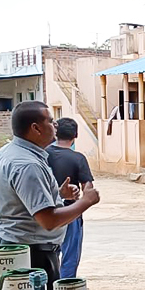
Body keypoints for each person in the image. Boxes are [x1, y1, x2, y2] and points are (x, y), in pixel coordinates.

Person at [0, 101, 100, 290]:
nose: (55, 126)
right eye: (51, 121)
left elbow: (22, 201)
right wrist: (85, 202)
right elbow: (48, 220)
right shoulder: (27, 164)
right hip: (32, 255)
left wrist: (57, 195)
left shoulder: (12, 152)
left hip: (20, 248)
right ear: (36, 128)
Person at [45, 118, 94, 279]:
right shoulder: (78, 158)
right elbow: (88, 189)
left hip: (45, 211)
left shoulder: (43, 154)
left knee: (48, 254)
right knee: (70, 255)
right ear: (75, 135)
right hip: (70, 212)